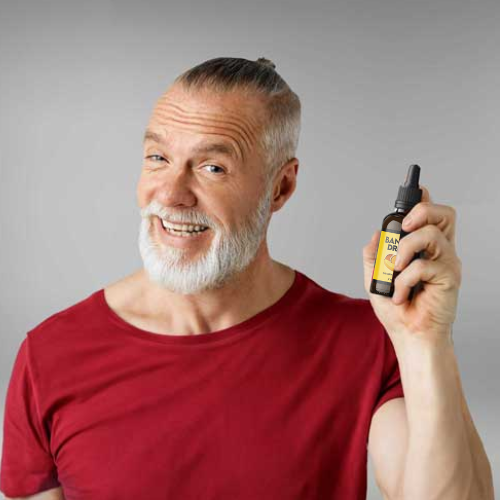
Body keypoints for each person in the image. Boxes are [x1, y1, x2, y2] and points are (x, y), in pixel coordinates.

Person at [1, 57, 492, 500]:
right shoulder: (50, 356)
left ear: (281, 187)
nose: (172, 194)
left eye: (213, 167)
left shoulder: (369, 341)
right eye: (158, 158)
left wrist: (425, 342)